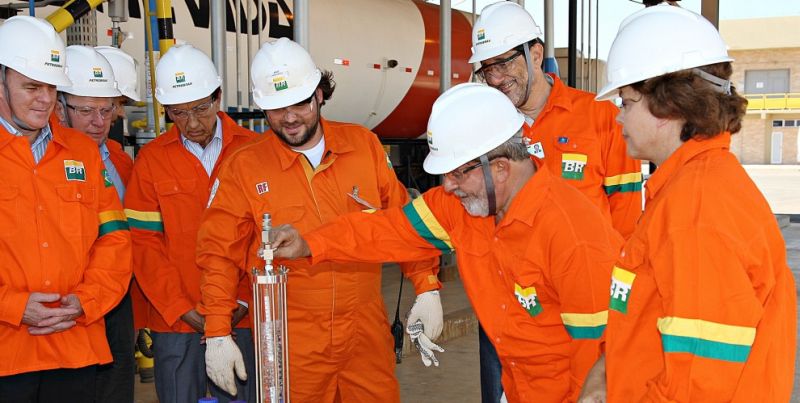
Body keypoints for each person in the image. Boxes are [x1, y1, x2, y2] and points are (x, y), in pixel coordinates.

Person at [268, 83, 622, 403]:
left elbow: (597, 356)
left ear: (499, 168)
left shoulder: (574, 234)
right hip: (516, 387)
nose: (448, 187)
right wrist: (310, 244)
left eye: (456, 174)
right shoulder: (461, 207)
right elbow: (387, 230)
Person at [197, 37, 443, 401]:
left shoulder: (364, 147)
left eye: (299, 103)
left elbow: (401, 224)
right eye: (277, 108)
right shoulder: (244, 168)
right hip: (292, 342)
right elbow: (218, 252)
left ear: (319, 95)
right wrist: (218, 331)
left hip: (365, 334)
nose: (290, 117)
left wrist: (426, 286)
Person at [579, 5, 796, 402]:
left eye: (626, 103)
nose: (618, 120)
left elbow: (699, 387)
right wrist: (607, 370)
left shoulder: (697, 210)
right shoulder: (687, 188)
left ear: (668, 107)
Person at [468, 4, 643, 399]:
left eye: (502, 64)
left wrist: (619, 311)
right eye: (486, 69)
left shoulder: (599, 118)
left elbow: (627, 225)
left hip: (580, 309)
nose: (495, 79)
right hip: (504, 308)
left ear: (534, 52)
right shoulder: (482, 130)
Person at [0, 16, 132, 402]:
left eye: (51, 87)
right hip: (8, 355)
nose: (45, 99)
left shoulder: (83, 153)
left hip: (74, 349)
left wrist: (86, 301)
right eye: (31, 86)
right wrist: (12, 306)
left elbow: (114, 239)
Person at [123, 44, 256, 403]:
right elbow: (143, 245)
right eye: (179, 113)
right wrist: (183, 309)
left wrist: (242, 300)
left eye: (200, 108)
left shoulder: (254, 152)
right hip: (177, 324)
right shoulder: (151, 161)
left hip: (240, 318)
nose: (193, 123)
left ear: (218, 98)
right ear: (166, 110)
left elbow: (265, 238)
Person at [53, 44, 135, 403]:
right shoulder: (38, 163)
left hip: (114, 300)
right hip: (64, 305)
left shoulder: (121, 162)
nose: (98, 122)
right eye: (85, 111)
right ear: (59, 107)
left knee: (117, 383)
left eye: (106, 111)